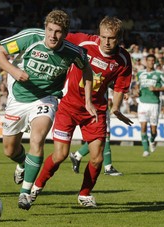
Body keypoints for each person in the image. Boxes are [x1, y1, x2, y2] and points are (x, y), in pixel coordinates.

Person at [0, 9, 96, 210]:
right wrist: (14, 71)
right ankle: (22, 163)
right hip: (18, 98)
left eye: (58, 32)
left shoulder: (74, 52)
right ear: (45, 28)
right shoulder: (31, 37)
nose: (53, 36)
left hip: (46, 99)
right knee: (9, 150)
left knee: (37, 139)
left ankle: (25, 193)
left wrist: (89, 101)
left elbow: (87, 71)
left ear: (65, 34)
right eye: (50, 30)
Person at [31, 16, 133, 208]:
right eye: (103, 37)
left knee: (97, 157)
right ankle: (36, 187)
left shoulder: (123, 59)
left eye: (111, 38)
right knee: (60, 155)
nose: (107, 42)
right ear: (98, 34)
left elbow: (120, 87)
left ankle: (84, 195)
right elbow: (55, 39)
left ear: (119, 37)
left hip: (95, 110)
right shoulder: (83, 41)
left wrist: (117, 109)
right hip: (68, 106)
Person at [136, 54, 164, 157]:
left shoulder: (160, 74)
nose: (151, 62)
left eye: (153, 60)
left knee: (153, 129)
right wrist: (137, 90)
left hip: (154, 103)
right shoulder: (140, 73)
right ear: (146, 61)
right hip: (142, 103)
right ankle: (145, 150)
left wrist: (156, 89)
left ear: (155, 62)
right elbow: (137, 85)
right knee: (143, 126)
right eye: (149, 60)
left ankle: (152, 140)